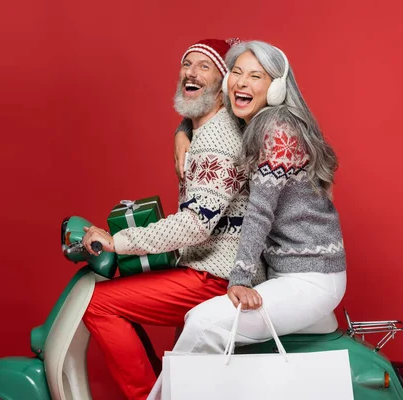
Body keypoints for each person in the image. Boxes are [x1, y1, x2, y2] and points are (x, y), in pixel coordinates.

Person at [149, 40, 347, 398]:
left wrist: (238, 281)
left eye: (256, 76)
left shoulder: (277, 131)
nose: (241, 82)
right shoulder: (255, 122)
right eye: (236, 73)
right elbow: (204, 110)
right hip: (288, 272)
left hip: (309, 278)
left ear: (275, 87)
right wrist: (183, 130)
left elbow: (259, 212)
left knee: (203, 323)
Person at [80, 38, 265, 400]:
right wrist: (181, 132)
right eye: (186, 64)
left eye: (204, 66)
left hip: (217, 275)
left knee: (98, 303)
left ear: (224, 83)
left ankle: (147, 396)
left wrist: (118, 242)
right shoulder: (203, 129)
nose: (191, 73)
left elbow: (196, 224)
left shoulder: (217, 140)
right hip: (204, 266)